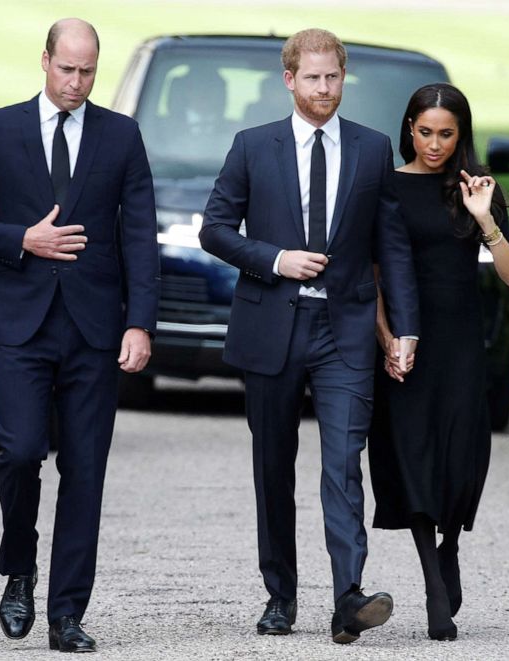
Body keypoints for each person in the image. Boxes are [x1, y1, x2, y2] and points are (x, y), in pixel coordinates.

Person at [0, 18, 159, 653]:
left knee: (85, 470)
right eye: (67, 69)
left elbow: (140, 235)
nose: (77, 82)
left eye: (88, 71)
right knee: (18, 453)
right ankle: (19, 568)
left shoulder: (121, 135)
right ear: (45, 62)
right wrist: (20, 240)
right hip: (21, 325)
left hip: (95, 329)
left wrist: (140, 321)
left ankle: (66, 613)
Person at [199, 28, 420, 644]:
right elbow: (214, 230)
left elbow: (391, 249)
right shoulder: (252, 146)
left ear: (343, 79)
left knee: (343, 461)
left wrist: (404, 329)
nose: (325, 88)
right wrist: (275, 259)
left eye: (334, 78)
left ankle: (349, 596)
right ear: (290, 79)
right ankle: (280, 596)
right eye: (313, 78)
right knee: (273, 465)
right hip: (272, 321)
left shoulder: (373, 150)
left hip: (345, 328)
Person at [368, 82, 509, 641]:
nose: (434, 144)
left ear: (462, 134)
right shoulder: (385, 186)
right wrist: (387, 337)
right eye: (425, 131)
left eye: (447, 134)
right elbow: (377, 275)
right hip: (407, 340)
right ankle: (435, 584)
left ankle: (451, 542)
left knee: (460, 457)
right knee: (411, 453)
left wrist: (485, 218)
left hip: (460, 342)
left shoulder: (477, 188)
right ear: (409, 127)